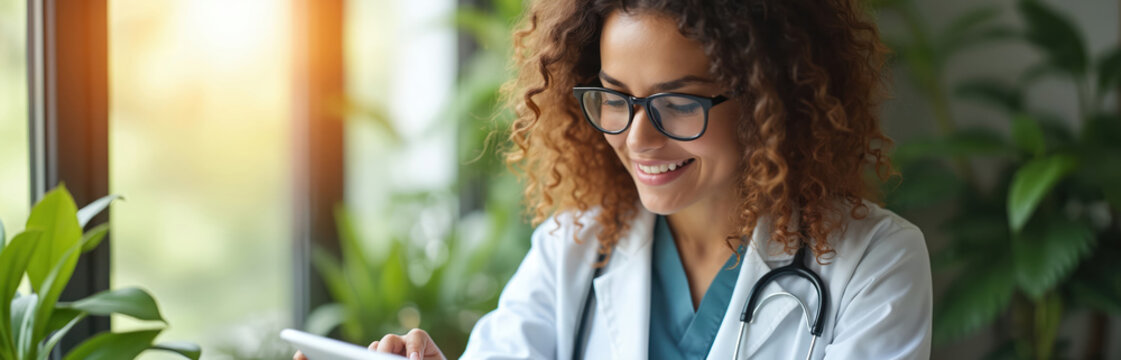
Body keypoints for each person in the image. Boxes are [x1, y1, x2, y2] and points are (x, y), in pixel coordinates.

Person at [297, 0, 932, 358]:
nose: (636, 138)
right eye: (616, 98)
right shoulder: (573, 249)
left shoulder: (872, 263)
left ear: (771, 101)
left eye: (678, 102)